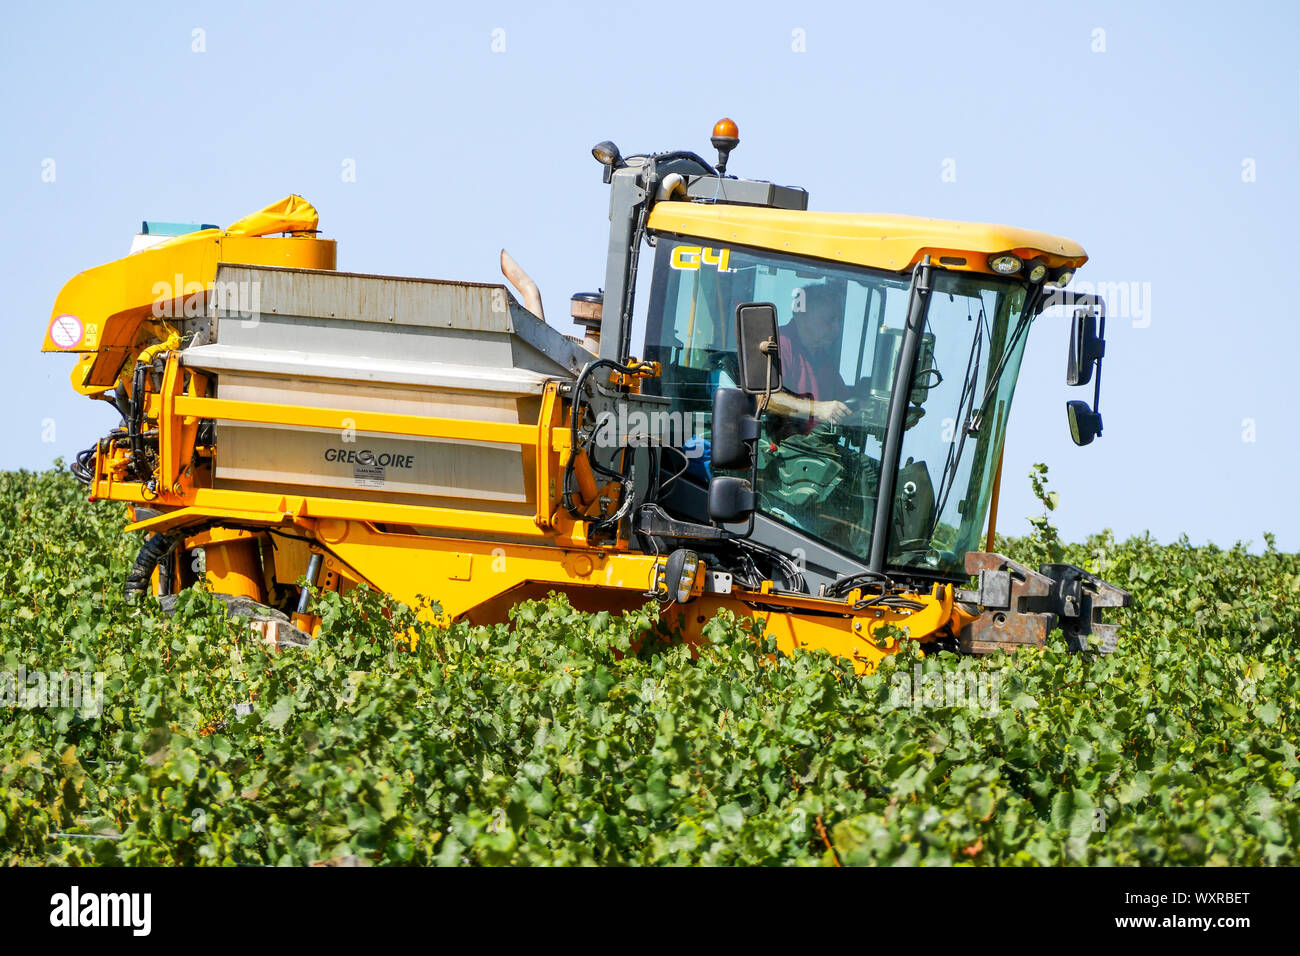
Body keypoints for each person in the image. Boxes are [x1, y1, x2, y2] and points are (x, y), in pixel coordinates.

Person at [766, 282, 852, 427]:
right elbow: (766, 398)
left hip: (811, 445)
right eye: (830, 320)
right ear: (803, 316)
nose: (837, 328)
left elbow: (842, 401)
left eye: (839, 321)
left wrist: (866, 409)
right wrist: (817, 409)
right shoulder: (779, 344)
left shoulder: (822, 357)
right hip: (779, 443)